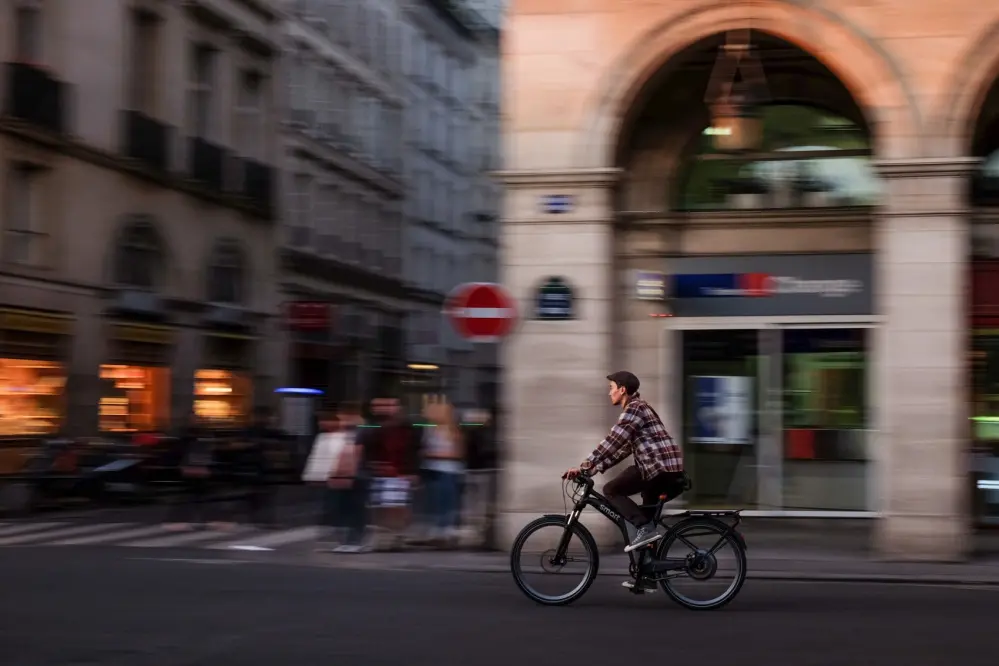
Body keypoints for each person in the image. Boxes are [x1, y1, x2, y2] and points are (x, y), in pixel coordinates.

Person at [564, 371, 685, 591]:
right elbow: (623, 449)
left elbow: (614, 439)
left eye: (611, 387)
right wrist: (592, 469)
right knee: (643, 518)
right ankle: (647, 575)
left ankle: (645, 531)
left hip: (659, 468)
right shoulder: (638, 409)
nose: (609, 392)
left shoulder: (635, 408)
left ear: (622, 389)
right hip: (660, 469)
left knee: (612, 490)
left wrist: (585, 464)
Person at [359, 397, 420, 551]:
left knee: (396, 507)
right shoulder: (369, 427)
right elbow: (366, 450)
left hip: (399, 473)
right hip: (377, 472)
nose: (382, 408)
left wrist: (411, 471)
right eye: (378, 405)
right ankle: (383, 536)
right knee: (378, 506)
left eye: (388, 405)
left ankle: (396, 536)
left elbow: (413, 450)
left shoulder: (406, 428)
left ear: (397, 407)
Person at [420, 402, 465, 547]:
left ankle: (447, 531)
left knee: (447, 501)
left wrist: (436, 454)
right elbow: (424, 449)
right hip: (432, 469)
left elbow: (458, 453)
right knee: (435, 501)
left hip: (448, 470)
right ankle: (438, 531)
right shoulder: (430, 429)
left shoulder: (453, 431)